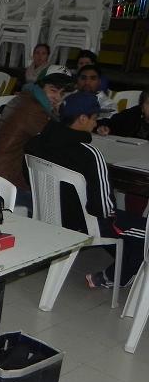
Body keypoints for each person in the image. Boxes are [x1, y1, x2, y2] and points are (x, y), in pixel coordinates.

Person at [25, 92, 145, 290]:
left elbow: (27, 176)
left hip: (48, 216)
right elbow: (104, 209)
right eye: (94, 118)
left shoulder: (36, 142)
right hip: (82, 224)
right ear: (82, 118)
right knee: (143, 229)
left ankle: (118, 270)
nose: (95, 123)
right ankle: (112, 277)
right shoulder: (90, 155)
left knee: (129, 228)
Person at [0, 71, 72, 205]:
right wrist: (59, 114)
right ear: (41, 87)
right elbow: (56, 142)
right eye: (53, 91)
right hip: (5, 182)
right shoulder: (35, 109)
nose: (58, 97)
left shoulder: (24, 98)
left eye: (62, 94)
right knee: (57, 204)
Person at [75, 64, 116, 129]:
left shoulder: (107, 104)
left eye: (93, 78)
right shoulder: (66, 96)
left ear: (99, 82)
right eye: (83, 78)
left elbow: (104, 126)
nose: (87, 82)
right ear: (77, 80)